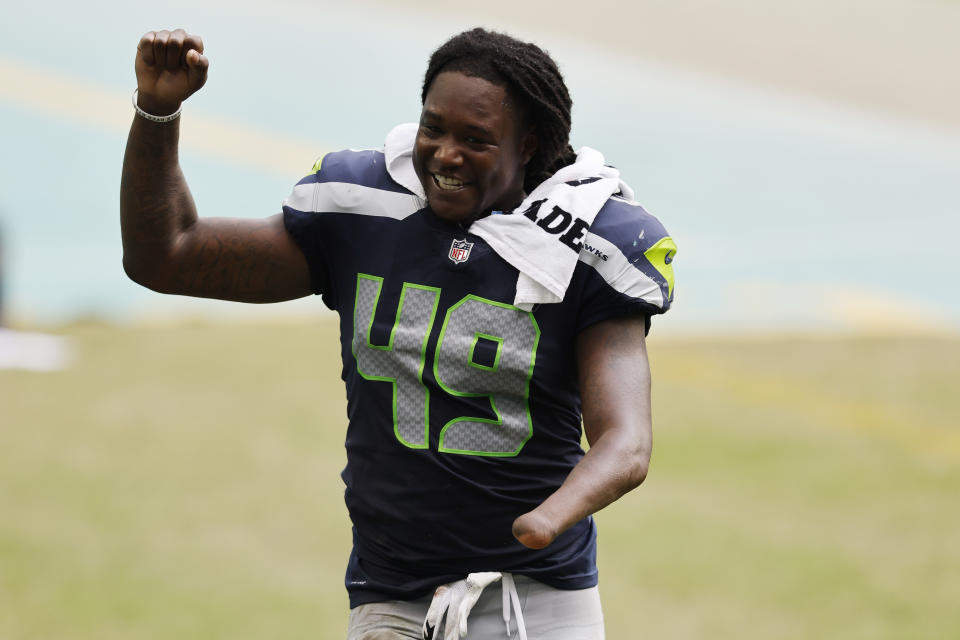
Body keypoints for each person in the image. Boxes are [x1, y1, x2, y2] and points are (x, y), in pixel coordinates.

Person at [121, 26, 676, 639]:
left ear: (529, 145)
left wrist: (546, 520)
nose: (445, 153)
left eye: (476, 139)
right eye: (433, 127)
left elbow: (625, 443)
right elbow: (167, 257)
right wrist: (158, 108)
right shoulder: (368, 211)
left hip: (536, 598)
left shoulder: (583, 239)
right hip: (393, 594)